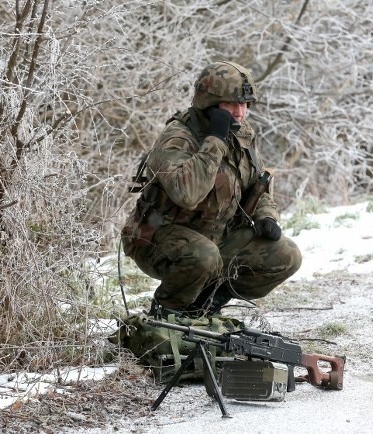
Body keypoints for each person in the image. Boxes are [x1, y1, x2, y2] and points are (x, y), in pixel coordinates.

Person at [121, 60, 302, 317]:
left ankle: (205, 303)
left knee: (286, 255)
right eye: (232, 104)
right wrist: (214, 140)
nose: (240, 112)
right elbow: (188, 194)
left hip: (216, 238)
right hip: (158, 238)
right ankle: (166, 312)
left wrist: (266, 216)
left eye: (244, 104)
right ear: (210, 104)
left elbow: (257, 187)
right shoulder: (178, 137)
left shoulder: (241, 134)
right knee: (203, 256)